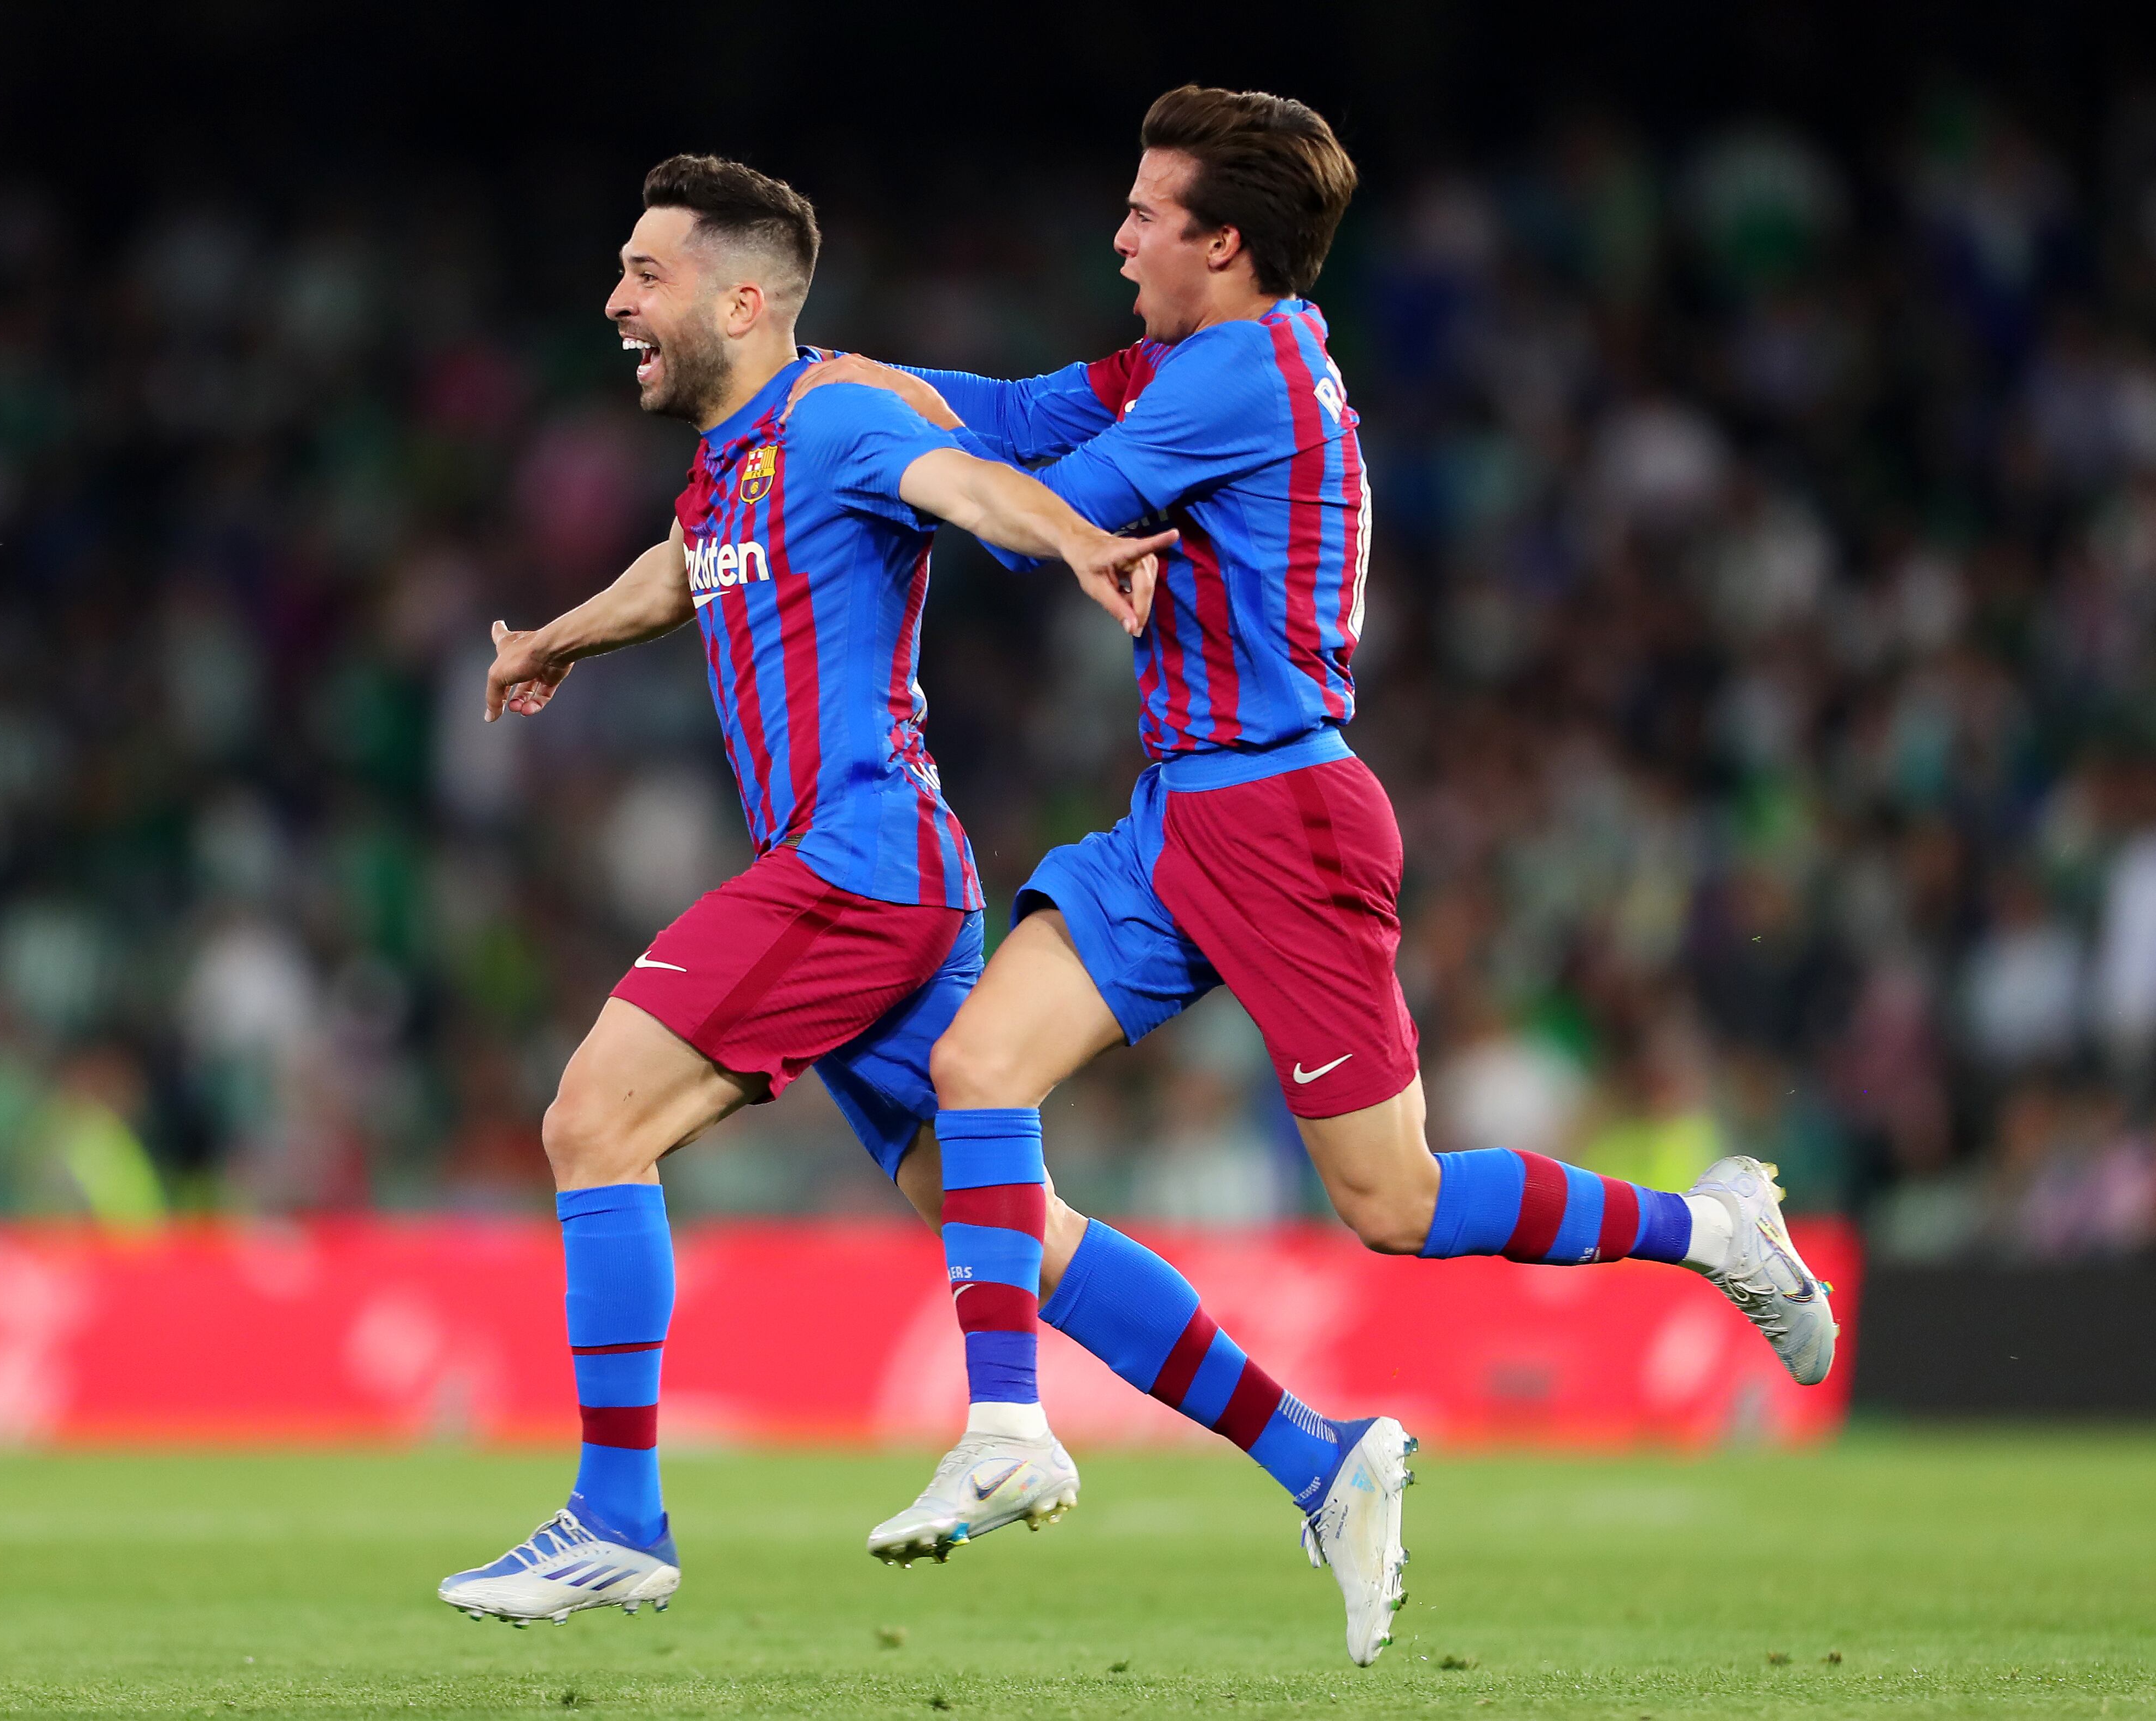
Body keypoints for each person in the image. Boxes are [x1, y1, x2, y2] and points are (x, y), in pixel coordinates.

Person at [796, 84, 1839, 1667]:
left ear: (1224, 243)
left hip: (1285, 821)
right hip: (1178, 816)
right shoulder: (1187, 361)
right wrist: (832, 384)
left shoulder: (1245, 380)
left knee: (1395, 1205)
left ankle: (1711, 1231)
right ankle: (1031, 1425)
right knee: (977, 1066)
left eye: (1149, 213)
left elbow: (1040, 520)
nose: (1121, 235)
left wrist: (844, 445)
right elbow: (1009, 421)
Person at [437, 154, 1175, 1627]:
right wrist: (554, 643)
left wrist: (1078, 535)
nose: (616, 301)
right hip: (888, 879)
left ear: (746, 296)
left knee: (593, 1116)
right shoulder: (737, 458)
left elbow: (961, 481)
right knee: (1005, 1217)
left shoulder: (836, 413)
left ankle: (618, 1518)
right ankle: (1317, 1452)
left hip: (854, 865)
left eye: (647, 275)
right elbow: (685, 572)